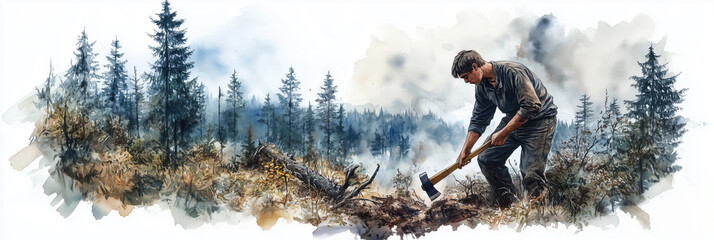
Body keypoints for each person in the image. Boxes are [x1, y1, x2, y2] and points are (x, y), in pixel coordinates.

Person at [451, 50, 558, 208]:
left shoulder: (513, 72)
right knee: (487, 159)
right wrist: (466, 149)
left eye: (466, 76)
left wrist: (503, 133)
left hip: (540, 121)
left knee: (531, 174)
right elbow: (480, 118)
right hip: (513, 118)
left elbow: (532, 106)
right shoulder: (482, 86)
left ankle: (539, 215)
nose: (466, 81)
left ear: (475, 67)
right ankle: (507, 206)